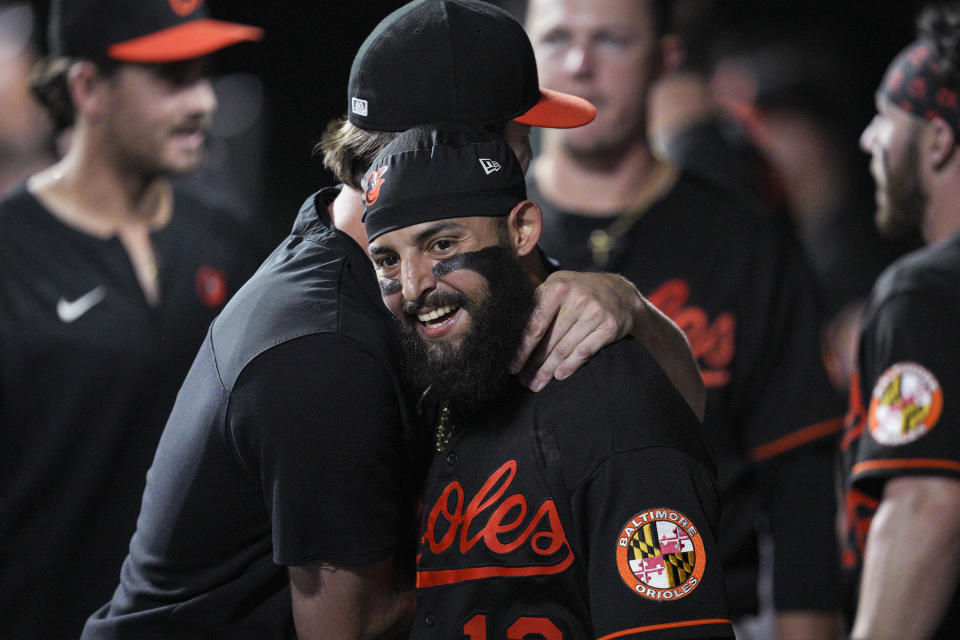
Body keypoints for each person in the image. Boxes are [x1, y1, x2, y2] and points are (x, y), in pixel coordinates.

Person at [82, 1, 702, 636]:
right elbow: (351, 629)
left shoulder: (465, 266)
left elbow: (675, 415)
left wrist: (628, 307)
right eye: (520, 142)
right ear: (448, 151)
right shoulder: (324, 345)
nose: (531, 165)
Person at [520, 0, 845, 637]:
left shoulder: (746, 242)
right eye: (557, 38)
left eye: (611, 40)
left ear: (665, 60)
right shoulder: (485, 243)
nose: (580, 64)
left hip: (705, 610)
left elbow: (800, 487)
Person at [364, 121, 734, 640]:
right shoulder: (440, 395)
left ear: (522, 231)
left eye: (443, 245)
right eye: (387, 259)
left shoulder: (613, 405)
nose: (414, 286)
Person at [0, 0, 265, 637]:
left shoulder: (234, 244)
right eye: (173, 79)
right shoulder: (9, 253)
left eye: (204, 75)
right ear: (88, 87)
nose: (201, 101)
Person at [324, 0, 705, 416]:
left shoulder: (505, 251)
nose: (525, 152)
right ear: (462, 153)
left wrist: (634, 311)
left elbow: (688, 415)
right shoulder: (326, 334)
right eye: (519, 129)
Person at [843, 4, 960, 638]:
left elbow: (926, 503)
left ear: (938, 139)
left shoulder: (926, 292)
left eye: (887, 119)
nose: (868, 139)